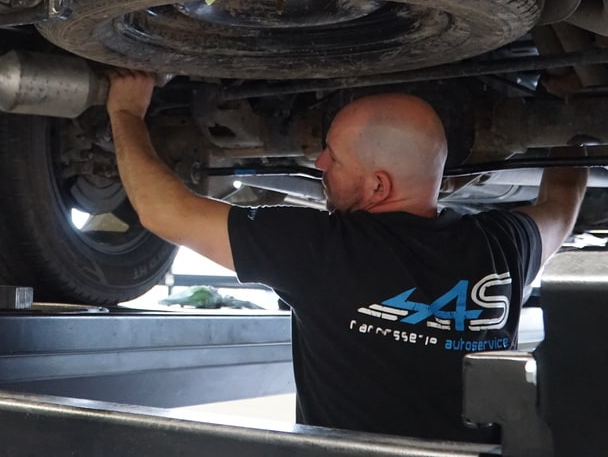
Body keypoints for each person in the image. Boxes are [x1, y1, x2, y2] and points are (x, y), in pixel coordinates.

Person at [106, 70, 589, 442]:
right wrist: (568, 109)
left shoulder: (324, 250)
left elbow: (165, 211)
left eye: (332, 157)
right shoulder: (501, 246)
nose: (318, 164)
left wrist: (125, 113)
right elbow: (560, 207)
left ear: (379, 185)